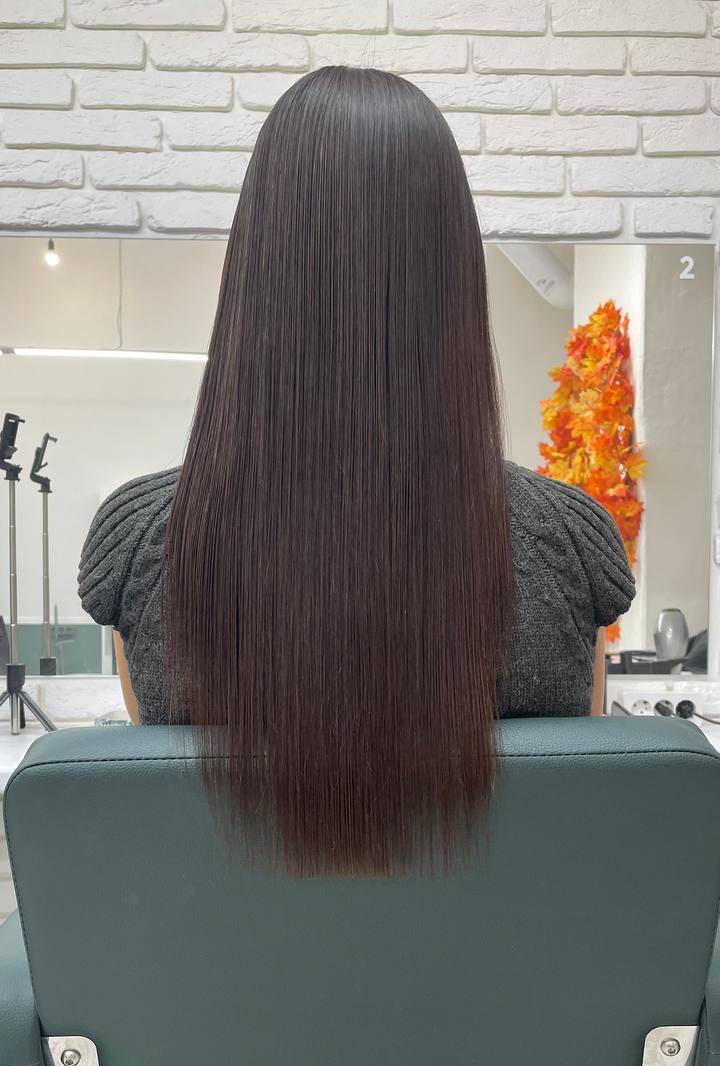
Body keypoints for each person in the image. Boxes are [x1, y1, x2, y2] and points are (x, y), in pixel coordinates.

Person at [78, 66, 634, 876]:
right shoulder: (567, 542)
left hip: (233, 962)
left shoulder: (144, 542)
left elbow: (177, 833)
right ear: (453, 275)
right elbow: (576, 828)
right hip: (507, 961)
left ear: (257, 272)